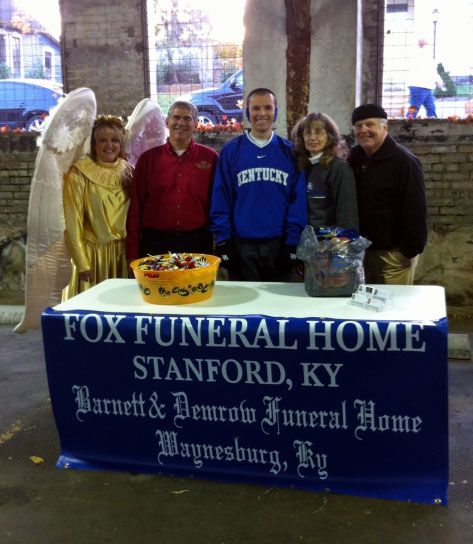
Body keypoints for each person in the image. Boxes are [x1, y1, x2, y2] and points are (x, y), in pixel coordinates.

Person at [209, 88, 307, 281]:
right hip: (241, 244)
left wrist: (292, 243)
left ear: (275, 112)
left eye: (268, 108)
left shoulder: (290, 152)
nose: (262, 113)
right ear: (247, 112)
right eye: (256, 108)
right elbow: (221, 198)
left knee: (278, 299)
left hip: (279, 244)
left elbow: (298, 202)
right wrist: (223, 241)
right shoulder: (230, 151)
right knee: (244, 299)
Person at [126, 100, 218, 264]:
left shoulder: (210, 158)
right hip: (155, 244)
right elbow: (135, 207)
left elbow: (218, 204)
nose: (181, 123)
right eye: (176, 117)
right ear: (167, 122)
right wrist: (132, 251)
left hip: (197, 243)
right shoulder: (148, 160)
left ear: (196, 125)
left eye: (187, 118)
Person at [348, 104, 427, 285]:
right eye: (358, 126)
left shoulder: (405, 162)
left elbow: (416, 208)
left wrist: (407, 251)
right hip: (362, 252)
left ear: (385, 127)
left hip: (393, 255)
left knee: (394, 302)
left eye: (370, 124)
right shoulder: (354, 157)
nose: (363, 130)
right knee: (362, 301)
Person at [62, 115, 134, 299]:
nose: (109, 145)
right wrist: (82, 262)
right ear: (93, 144)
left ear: (121, 144)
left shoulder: (129, 171)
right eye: (102, 140)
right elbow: (72, 221)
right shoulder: (79, 173)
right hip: (93, 255)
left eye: (115, 140)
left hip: (123, 254)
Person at [291, 112, 358, 232]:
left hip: (329, 240)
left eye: (318, 132)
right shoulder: (303, 167)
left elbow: (347, 214)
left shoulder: (339, 168)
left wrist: (345, 241)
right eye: (307, 133)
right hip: (305, 239)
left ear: (330, 136)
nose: (312, 138)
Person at [406, 38, 442, 119]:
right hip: (421, 85)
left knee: (430, 108)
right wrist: (438, 80)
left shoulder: (417, 53)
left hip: (424, 86)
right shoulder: (424, 55)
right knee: (415, 108)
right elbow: (431, 70)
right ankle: (407, 123)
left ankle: (432, 120)